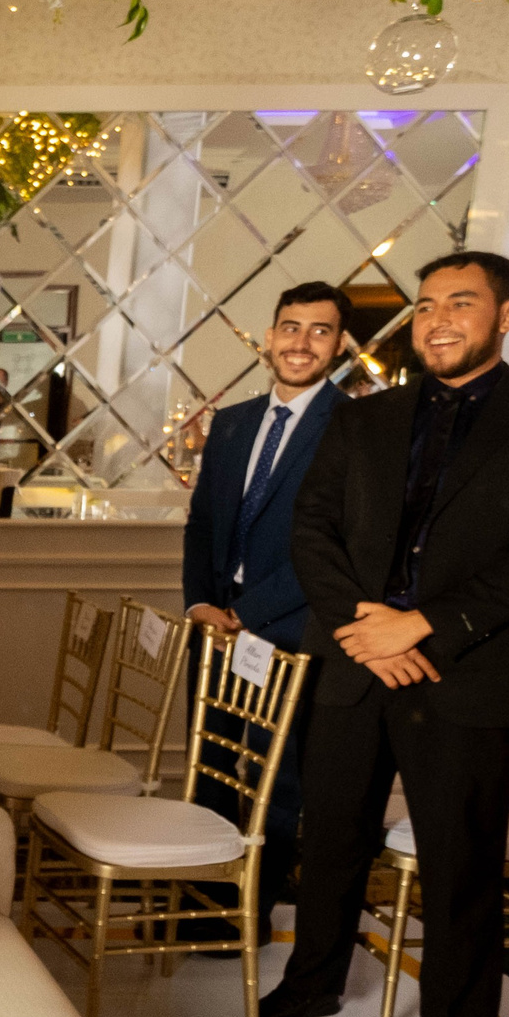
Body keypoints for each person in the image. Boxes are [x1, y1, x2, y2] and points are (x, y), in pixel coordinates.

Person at [266, 251, 509, 1017]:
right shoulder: (362, 418)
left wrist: (422, 625)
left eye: (461, 303)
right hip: (355, 664)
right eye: (423, 306)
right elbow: (312, 530)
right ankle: (312, 984)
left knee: (461, 865)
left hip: (467, 672)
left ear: (508, 315)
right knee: (333, 838)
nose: (437, 320)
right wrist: (364, 631)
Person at [181, 280, 349, 907]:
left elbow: (339, 545)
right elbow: (202, 525)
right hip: (216, 627)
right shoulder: (231, 423)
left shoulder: (355, 428)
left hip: (294, 627)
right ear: (269, 336)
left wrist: (247, 613)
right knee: (213, 774)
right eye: (291, 327)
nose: (301, 343)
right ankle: (202, 906)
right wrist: (201, 602)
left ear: (338, 345)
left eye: (320, 330)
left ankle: (250, 912)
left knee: (278, 783)